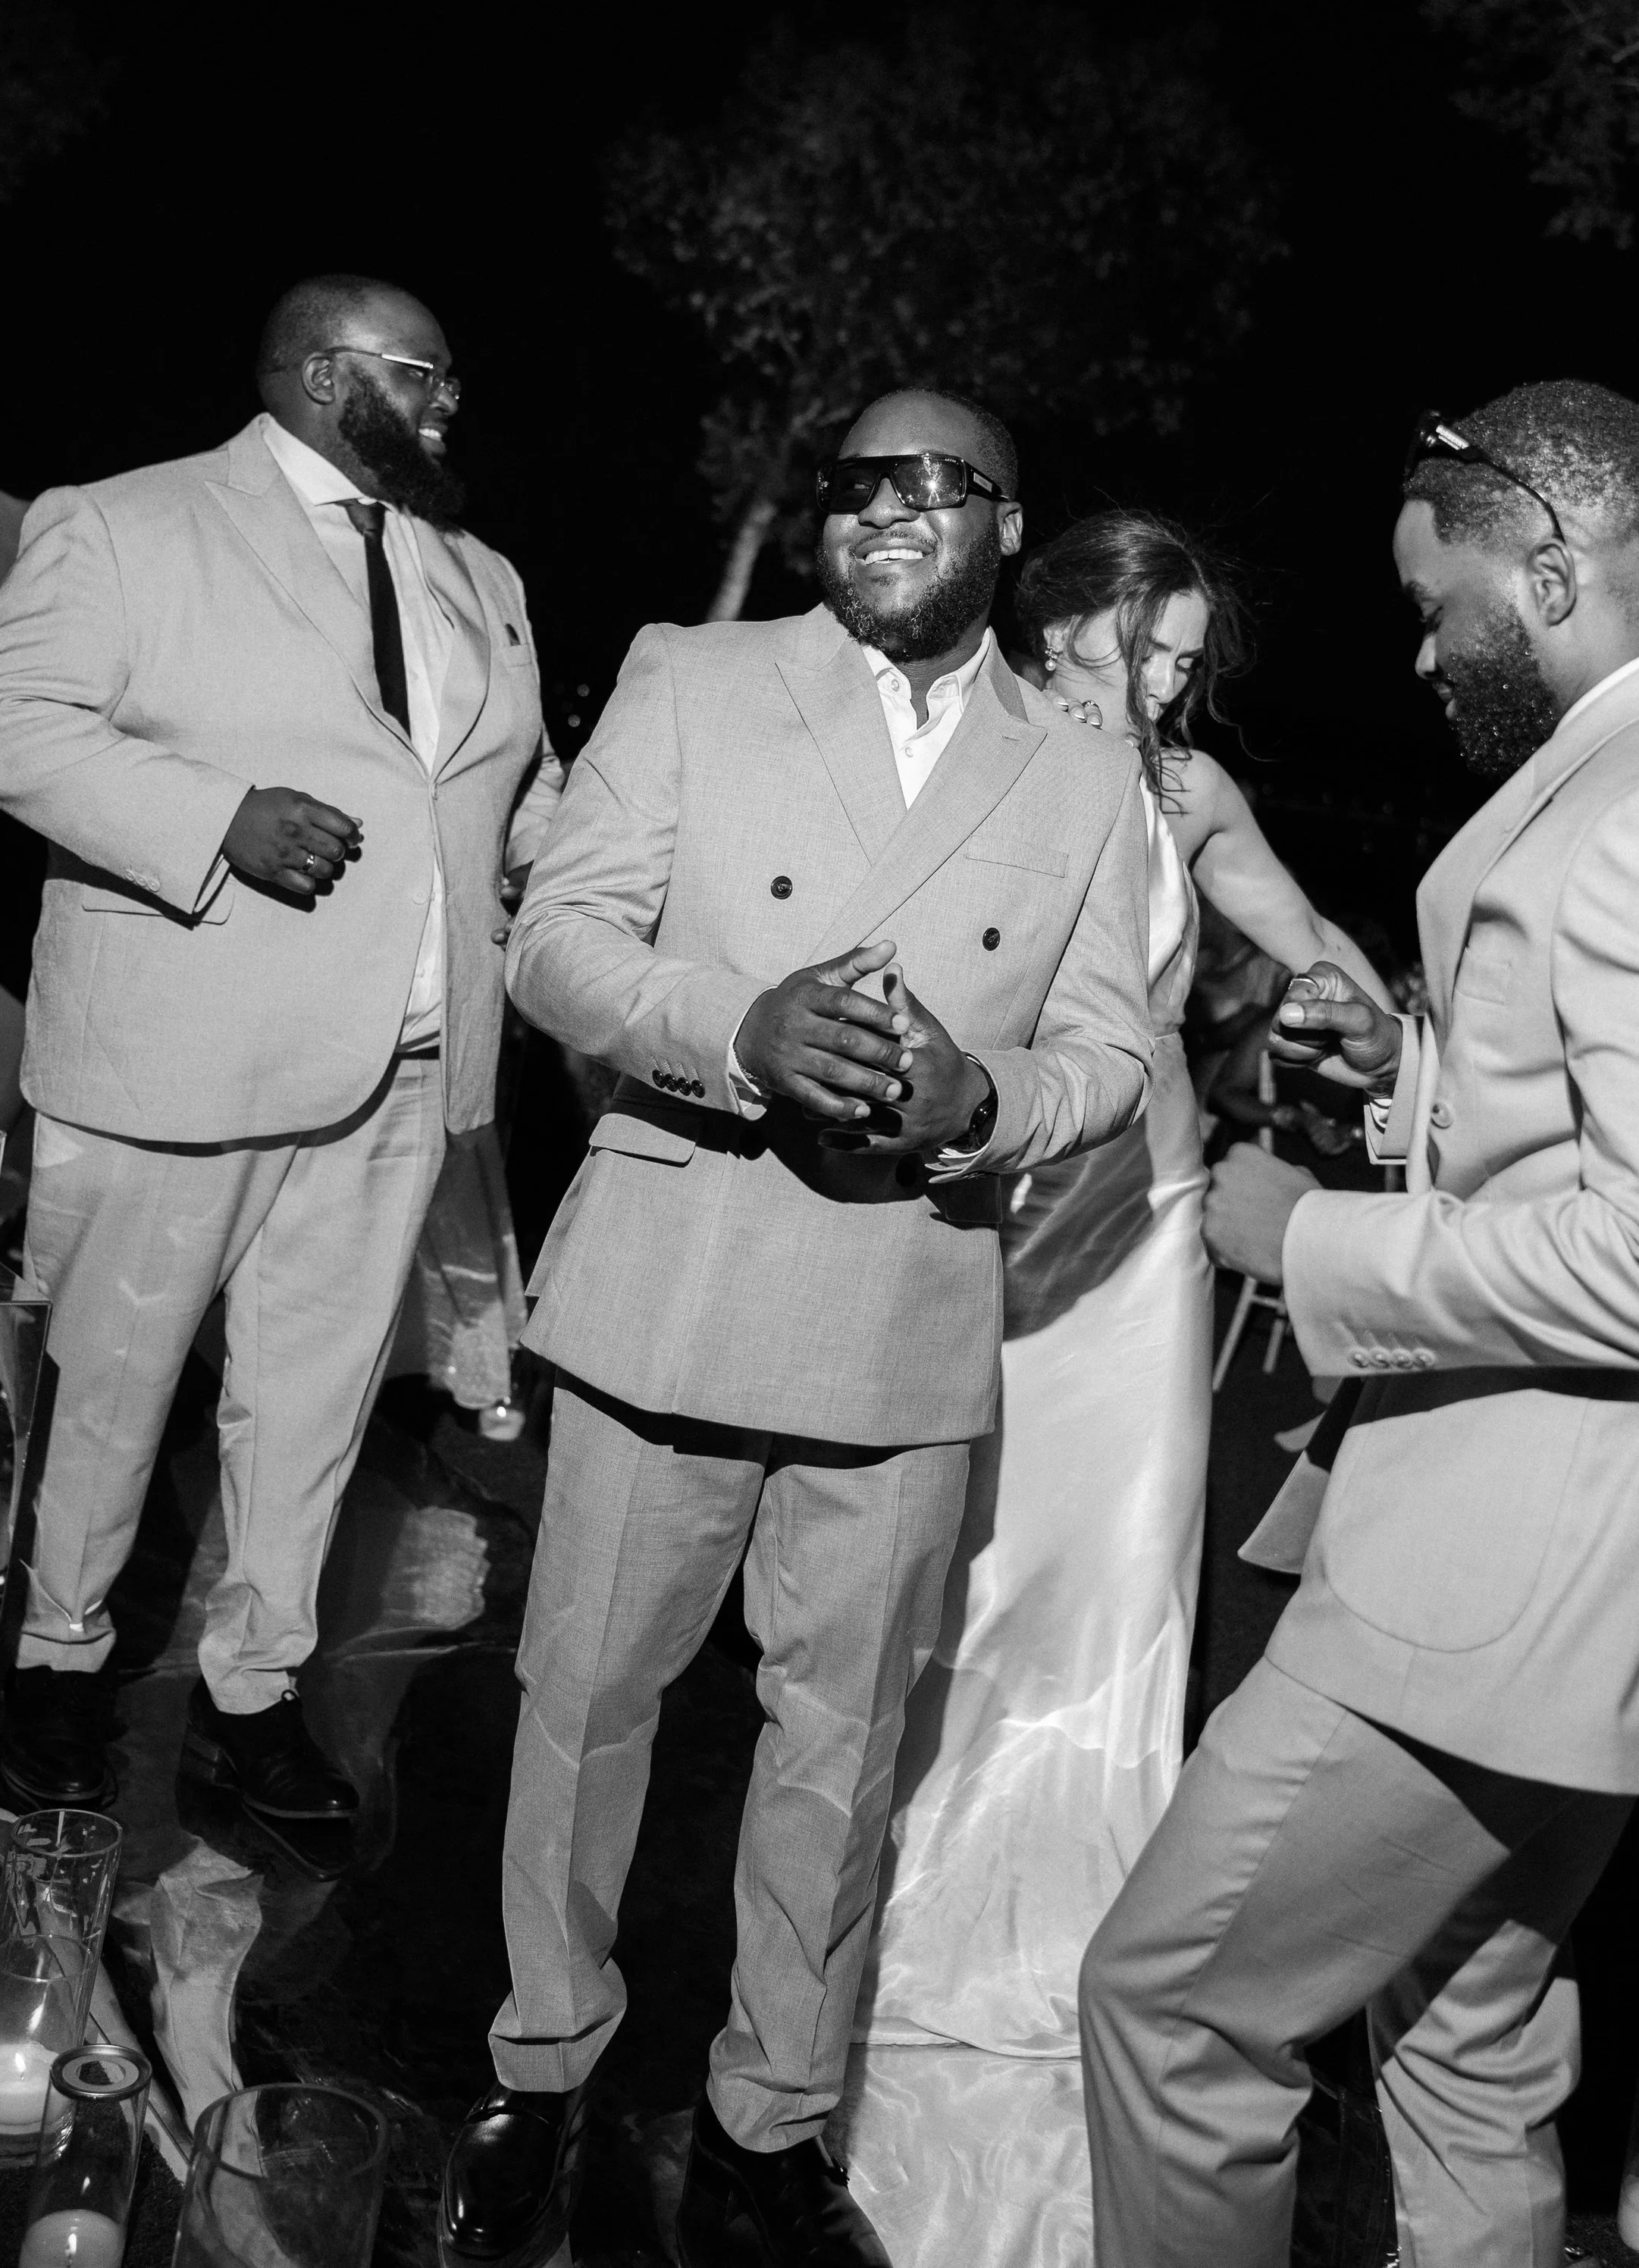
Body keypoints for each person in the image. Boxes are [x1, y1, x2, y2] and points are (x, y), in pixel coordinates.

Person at [1078, 381, 1639, 2267]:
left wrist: (1316, 1241)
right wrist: (1411, 1082)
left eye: (1439, 608)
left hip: (1513, 1587)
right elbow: (1601, 1123)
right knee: (1462, 2035)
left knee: (1172, 2013)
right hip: (1596, 1579)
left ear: (1551, 561)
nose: (1420, 655)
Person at [439, 393, 1155, 2268]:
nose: (888, 512)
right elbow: (554, 939)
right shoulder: (696, 672)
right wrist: (735, 1030)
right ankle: (545, 2068)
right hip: (675, 1285)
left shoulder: (1079, 769)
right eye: (857, 483)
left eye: (938, 485)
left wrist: (984, 1102)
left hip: (901, 1309)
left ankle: (770, 2128)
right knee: (582, 1709)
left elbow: (1112, 1056)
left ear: (1006, 527)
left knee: (838, 1755)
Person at [842, 511, 1392, 2266]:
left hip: (1144, 1229)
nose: (1168, 682)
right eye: (1150, 646)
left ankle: (1099, 1906)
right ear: (1068, 616)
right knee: (973, 1549)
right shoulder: (966, 748)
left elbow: (1301, 935)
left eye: (1186, 662)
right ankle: (900, 1893)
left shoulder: (1188, 792)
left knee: (1124, 1568)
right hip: (994, 1218)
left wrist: (1370, 1030)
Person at [0, 274, 562, 1819]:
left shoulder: (478, 570)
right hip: (180, 1056)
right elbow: (14, 719)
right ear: (324, 375)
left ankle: (254, 1689)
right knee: (113, 1394)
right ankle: (55, 1667)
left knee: (314, 1408)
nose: (450, 407)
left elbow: (517, 794)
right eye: (422, 377)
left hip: (401, 1070)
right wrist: (212, 822)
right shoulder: (125, 524)